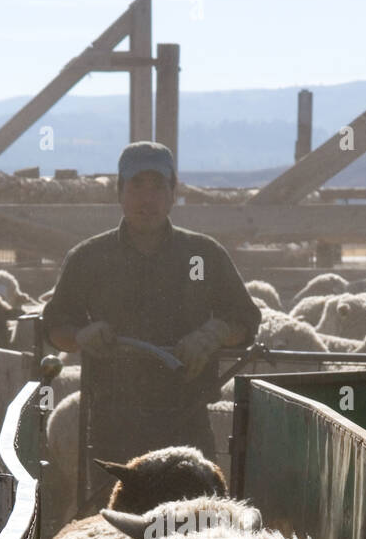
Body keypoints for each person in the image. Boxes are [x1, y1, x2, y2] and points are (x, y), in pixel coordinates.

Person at [41, 141, 262, 500]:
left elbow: (246, 318)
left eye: (158, 186)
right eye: (137, 185)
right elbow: (54, 328)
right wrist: (83, 335)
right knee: (111, 530)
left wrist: (214, 333)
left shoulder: (202, 254)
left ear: (174, 193)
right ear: (119, 192)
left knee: (194, 531)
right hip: (113, 425)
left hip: (186, 420)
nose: (147, 198)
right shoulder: (89, 258)